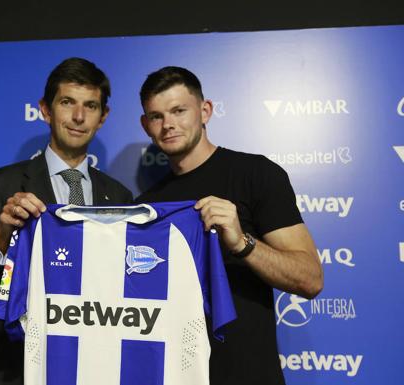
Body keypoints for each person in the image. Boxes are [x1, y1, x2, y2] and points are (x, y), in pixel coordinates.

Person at [136, 66, 323, 385]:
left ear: (205, 111)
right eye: (156, 116)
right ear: (146, 125)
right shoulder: (147, 205)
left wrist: (242, 243)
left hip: (248, 374)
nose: (168, 124)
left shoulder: (256, 174)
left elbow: (310, 279)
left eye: (179, 111)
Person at [0, 57, 133, 385]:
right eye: (67, 102)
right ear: (45, 109)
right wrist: (2, 236)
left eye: (91, 106)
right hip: (14, 363)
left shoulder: (120, 197)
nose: (79, 116)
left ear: (103, 117)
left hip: (94, 362)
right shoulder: (2, 185)